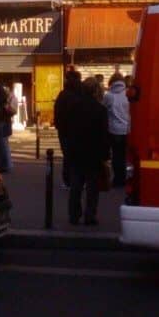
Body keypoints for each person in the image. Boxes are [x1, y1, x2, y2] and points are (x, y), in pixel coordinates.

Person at [66, 77, 109, 226]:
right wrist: (105, 155)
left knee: (76, 185)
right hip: (94, 154)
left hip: (76, 152)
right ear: (96, 90)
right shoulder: (100, 110)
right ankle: (90, 215)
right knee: (92, 187)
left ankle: (73, 215)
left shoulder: (73, 108)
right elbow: (104, 135)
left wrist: (68, 150)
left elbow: (68, 131)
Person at [53, 69, 83, 189]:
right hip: (79, 129)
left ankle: (68, 181)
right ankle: (79, 180)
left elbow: (58, 112)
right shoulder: (81, 94)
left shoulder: (63, 94)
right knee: (79, 155)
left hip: (65, 130)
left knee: (68, 156)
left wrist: (59, 125)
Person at [103, 74, 131, 187]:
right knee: (124, 155)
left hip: (114, 129)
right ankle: (123, 177)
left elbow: (103, 109)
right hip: (127, 129)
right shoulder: (127, 93)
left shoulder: (108, 95)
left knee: (116, 155)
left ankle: (117, 179)